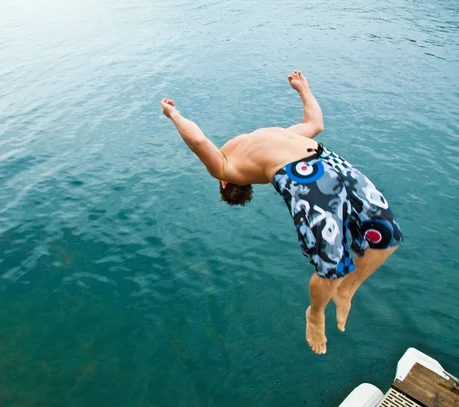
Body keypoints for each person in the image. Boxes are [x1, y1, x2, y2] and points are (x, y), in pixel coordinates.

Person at [160, 70, 403, 354]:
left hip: (326, 157)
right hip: (302, 175)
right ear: (226, 182)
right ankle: (314, 314)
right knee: (332, 266)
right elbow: (199, 141)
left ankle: (348, 290)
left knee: (387, 235)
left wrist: (303, 88)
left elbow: (315, 124)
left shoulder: (268, 137)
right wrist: (173, 115)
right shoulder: (224, 166)